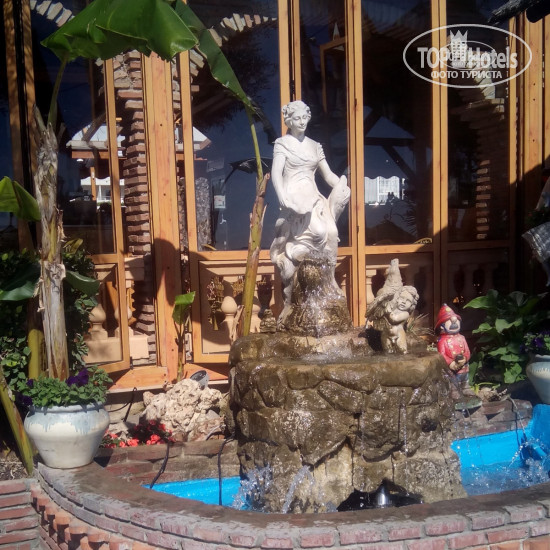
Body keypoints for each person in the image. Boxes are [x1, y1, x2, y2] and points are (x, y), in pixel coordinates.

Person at [269, 101, 350, 321]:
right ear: (289, 121)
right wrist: (282, 196)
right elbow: (276, 173)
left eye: (305, 117)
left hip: (313, 196)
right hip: (295, 198)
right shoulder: (283, 144)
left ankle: (329, 279)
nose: (302, 122)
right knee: (319, 231)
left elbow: (328, 175)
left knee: (331, 232)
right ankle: (298, 266)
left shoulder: (315, 145)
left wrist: (341, 185)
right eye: (297, 118)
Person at [435, 304, 471, 385]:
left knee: (465, 380)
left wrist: (465, 358)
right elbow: (442, 355)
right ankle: (453, 389)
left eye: (456, 321)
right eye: (450, 321)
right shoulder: (442, 341)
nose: (454, 323)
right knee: (453, 383)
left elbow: (467, 351)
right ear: (442, 326)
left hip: (463, 366)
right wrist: (451, 363)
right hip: (452, 368)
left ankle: (465, 387)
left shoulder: (462, 337)